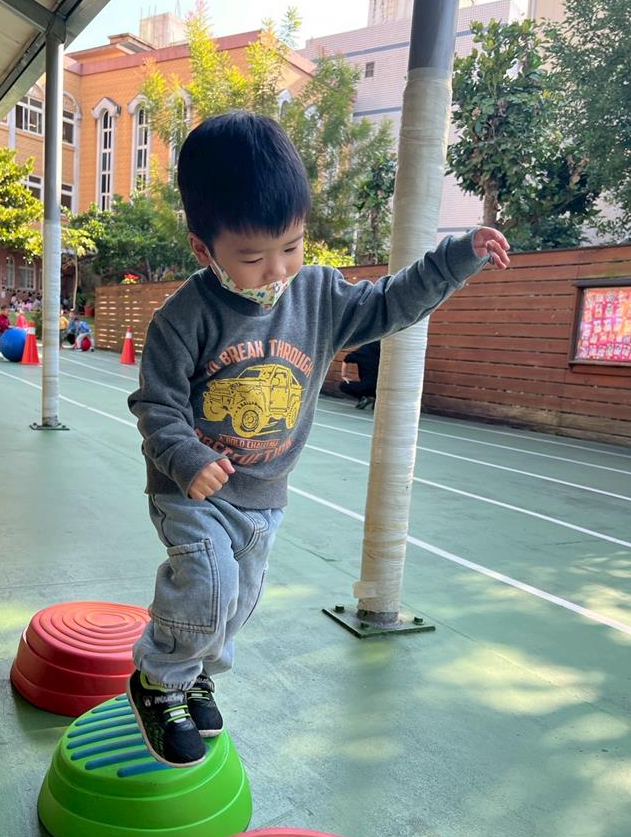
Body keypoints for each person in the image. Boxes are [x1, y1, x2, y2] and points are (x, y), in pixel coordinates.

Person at [126, 111, 511, 768]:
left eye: (292, 246)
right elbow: (155, 404)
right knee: (211, 582)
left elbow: (391, 303)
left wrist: (455, 259)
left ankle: (198, 676)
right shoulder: (183, 318)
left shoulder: (318, 295)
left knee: (238, 599)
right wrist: (187, 458)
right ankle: (159, 681)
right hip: (190, 491)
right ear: (203, 249)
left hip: (262, 494)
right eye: (252, 257)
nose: (276, 270)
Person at [340, 340, 381, 409]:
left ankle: (365, 397)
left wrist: (343, 375)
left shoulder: (363, 350)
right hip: (381, 388)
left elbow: (346, 359)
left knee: (343, 385)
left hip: (366, 387)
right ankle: (374, 399)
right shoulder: (384, 352)